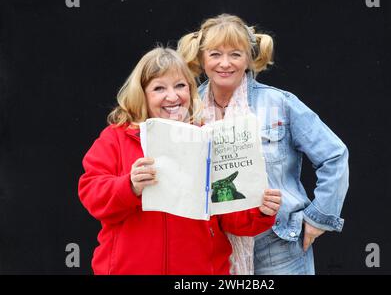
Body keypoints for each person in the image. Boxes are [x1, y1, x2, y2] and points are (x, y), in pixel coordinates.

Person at [78, 47, 281, 274]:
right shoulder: (116, 137)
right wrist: (130, 186)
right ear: (142, 94)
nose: (173, 97)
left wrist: (261, 210)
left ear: (191, 90)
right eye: (159, 88)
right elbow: (91, 195)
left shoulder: (208, 138)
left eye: (180, 86)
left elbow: (232, 218)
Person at [177, 14, 349, 275]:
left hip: (278, 241)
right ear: (202, 58)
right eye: (215, 54)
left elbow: (334, 155)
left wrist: (318, 219)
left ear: (248, 58)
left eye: (235, 54)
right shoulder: (188, 109)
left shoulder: (279, 103)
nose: (225, 63)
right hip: (213, 244)